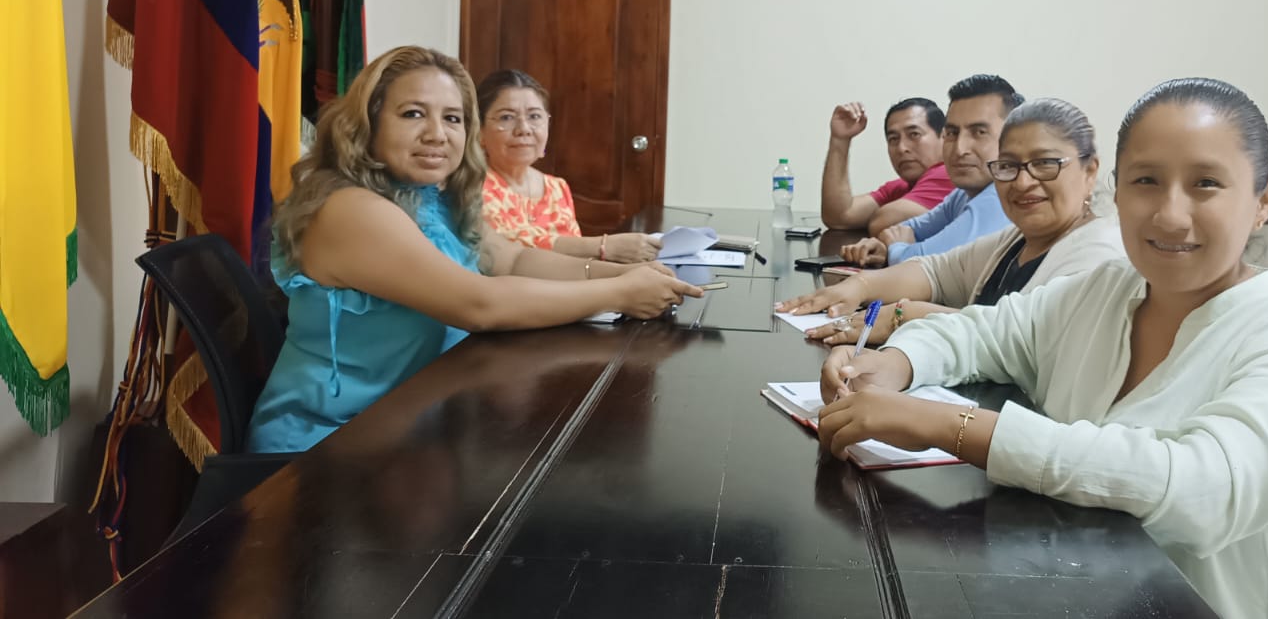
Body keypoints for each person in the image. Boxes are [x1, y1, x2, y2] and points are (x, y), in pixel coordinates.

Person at [815, 78, 1268, 619]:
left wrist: (952, 426)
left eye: (1206, 183)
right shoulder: (1103, 291)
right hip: (1066, 590)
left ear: (1263, 200)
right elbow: (983, 332)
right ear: (1118, 192)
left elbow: (1202, 491)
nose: (1171, 215)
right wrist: (893, 363)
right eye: (1146, 180)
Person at [247, 47, 702, 453]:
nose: (437, 134)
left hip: (410, 424)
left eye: (452, 118)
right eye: (412, 114)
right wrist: (620, 293)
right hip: (329, 445)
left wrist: (633, 275)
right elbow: (478, 305)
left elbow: (513, 259)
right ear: (366, 125)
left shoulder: (431, 197)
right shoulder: (351, 210)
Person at [779, 98, 1124, 345]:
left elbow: (1021, 340)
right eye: (1008, 166)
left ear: (1089, 171)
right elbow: (937, 270)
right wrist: (861, 286)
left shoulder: (1098, 256)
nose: (1022, 182)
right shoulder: (1018, 239)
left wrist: (903, 315)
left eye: (1045, 164)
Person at [477, 69, 661, 262]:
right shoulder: (472, 186)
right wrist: (605, 246)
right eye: (506, 117)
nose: (524, 129)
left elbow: (579, 263)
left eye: (534, 116)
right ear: (479, 131)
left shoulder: (556, 188)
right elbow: (508, 252)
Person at [840, 74, 1019, 267]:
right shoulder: (963, 193)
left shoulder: (1001, 195)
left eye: (979, 132)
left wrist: (897, 249)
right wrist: (887, 248)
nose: (959, 149)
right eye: (952, 133)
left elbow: (920, 263)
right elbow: (904, 230)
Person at [819, 98, 953, 235]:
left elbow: (883, 222)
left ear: (944, 137)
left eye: (914, 134)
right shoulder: (902, 187)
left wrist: (879, 215)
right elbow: (840, 216)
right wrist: (840, 139)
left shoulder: (948, 175)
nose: (901, 148)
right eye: (893, 139)